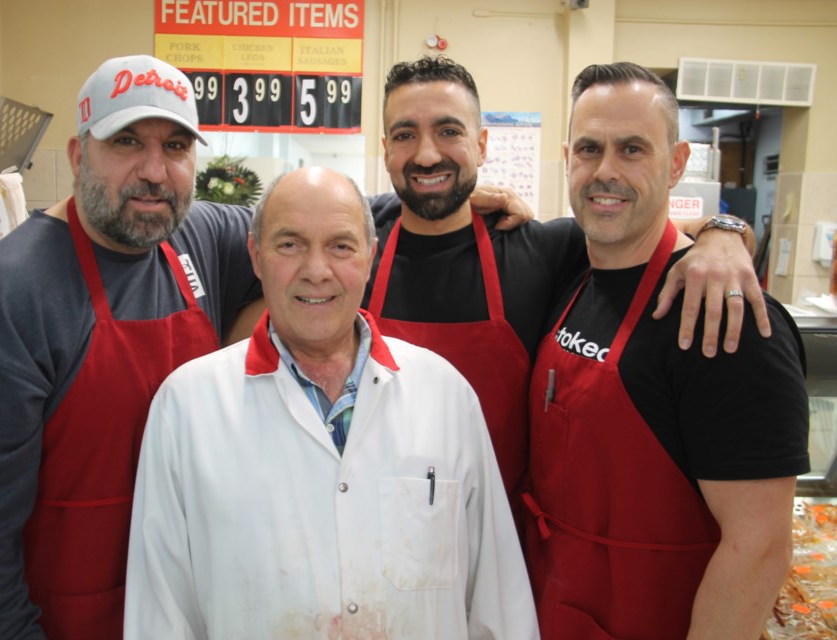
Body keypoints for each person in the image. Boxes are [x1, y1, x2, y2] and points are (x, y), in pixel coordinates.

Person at [0, 55, 263, 639]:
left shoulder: (200, 237)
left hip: (185, 613)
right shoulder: (2, 303)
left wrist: (460, 199)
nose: (154, 171)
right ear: (77, 156)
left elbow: (320, 229)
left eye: (175, 147)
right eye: (125, 143)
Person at [124, 166, 539, 639]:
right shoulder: (186, 408)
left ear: (370, 258)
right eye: (290, 244)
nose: (316, 270)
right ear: (256, 257)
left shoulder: (446, 396)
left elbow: (497, 602)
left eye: (341, 246)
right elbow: (159, 614)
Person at [365, 55, 766, 510]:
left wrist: (725, 234)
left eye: (449, 131)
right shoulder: (353, 249)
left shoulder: (545, 249)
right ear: (386, 149)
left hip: (504, 546)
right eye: (405, 135)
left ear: (481, 145)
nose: (427, 153)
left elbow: (650, 230)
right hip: (378, 526)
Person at [519, 62, 809, 639]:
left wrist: (725, 232)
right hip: (550, 608)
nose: (606, 172)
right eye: (589, 149)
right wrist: (725, 226)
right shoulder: (572, 271)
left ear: (676, 163)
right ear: (567, 158)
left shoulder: (727, 320)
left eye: (632, 149)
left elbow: (759, 548)